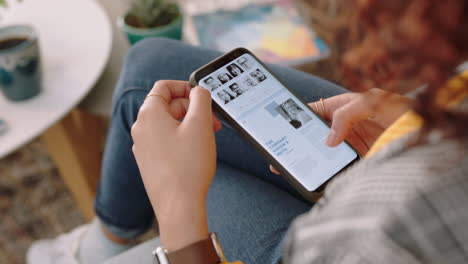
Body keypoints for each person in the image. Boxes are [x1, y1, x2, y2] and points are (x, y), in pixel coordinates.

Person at [28, 0, 468, 264]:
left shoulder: (392, 222)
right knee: (150, 69)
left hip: (322, 243)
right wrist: (416, 115)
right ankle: (106, 240)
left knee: (178, 143)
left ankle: (99, 247)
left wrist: (177, 209)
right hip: (403, 149)